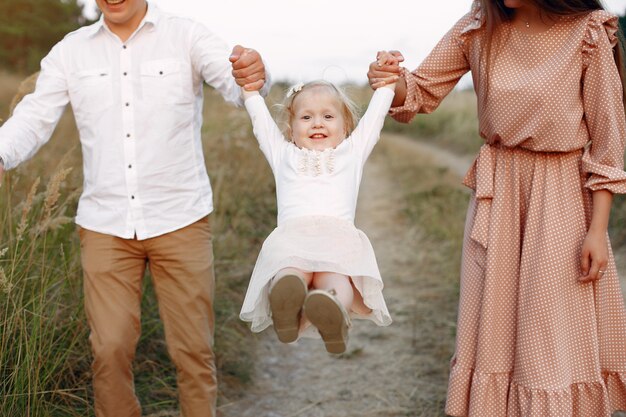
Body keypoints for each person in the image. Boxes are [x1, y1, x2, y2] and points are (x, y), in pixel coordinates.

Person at [0, 1, 268, 416]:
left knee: (193, 351)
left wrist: (251, 72)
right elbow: (34, 116)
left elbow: (238, 85)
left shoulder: (187, 35)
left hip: (180, 218)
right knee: (108, 349)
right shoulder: (71, 51)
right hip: (105, 225)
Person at [368, 0, 626, 415]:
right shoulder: (477, 26)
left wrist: (598, 230)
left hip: (561, 197)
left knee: (546, 333)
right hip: (498, 195)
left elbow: (609, 142)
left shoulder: (589, 31)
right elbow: (417, 93)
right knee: (495, 330)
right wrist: (388, 78)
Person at [238, 55, 399, 354]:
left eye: (327, 116)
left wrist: (387, 84)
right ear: (291, 125)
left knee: (334, 281)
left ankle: (332, 315)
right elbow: (261, 125)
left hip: (336, 241)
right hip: (292, 240)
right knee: (290, 273)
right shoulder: (282, 153)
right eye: (307, 117)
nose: (317, 124)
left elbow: (375, 120)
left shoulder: (351, 152)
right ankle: (286, 308)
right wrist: (250, 91)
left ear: (345, 124)